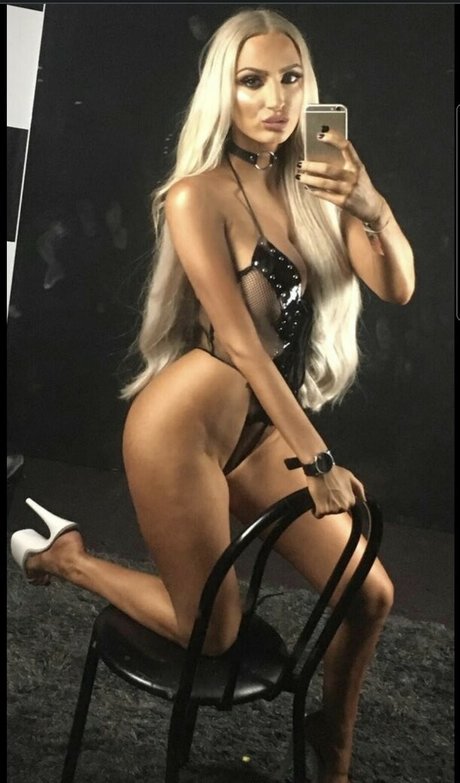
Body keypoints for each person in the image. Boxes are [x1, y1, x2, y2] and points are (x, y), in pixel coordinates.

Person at [11, 8, 415, 782]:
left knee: (370, 593)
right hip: (182, 430)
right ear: (222, 92)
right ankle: (66, 560)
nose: (276, 99)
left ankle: (331, 739)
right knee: (215, 631)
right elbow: (239, 340)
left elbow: (396, 286)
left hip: (259, 432)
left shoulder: (315, 185)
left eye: (290, 79)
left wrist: (372, 206)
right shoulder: (198, 196)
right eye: (252, 80)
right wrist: (317, 457)